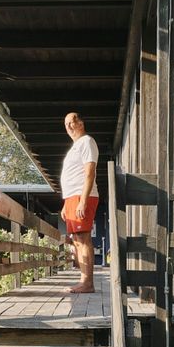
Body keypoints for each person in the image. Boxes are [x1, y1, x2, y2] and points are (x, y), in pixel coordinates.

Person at [60, 112, 99, 293]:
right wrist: (65, 204)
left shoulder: (86, 142)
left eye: (72, 121)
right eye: (66, 123)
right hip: (72, 197)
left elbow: (89, 172)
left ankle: (87, 283)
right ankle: (83, 280)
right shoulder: (75, 147)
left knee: (83, 238)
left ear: (81, 122)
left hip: (82, 196)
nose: (69, 126)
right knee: (76, 240)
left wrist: (82, 201)